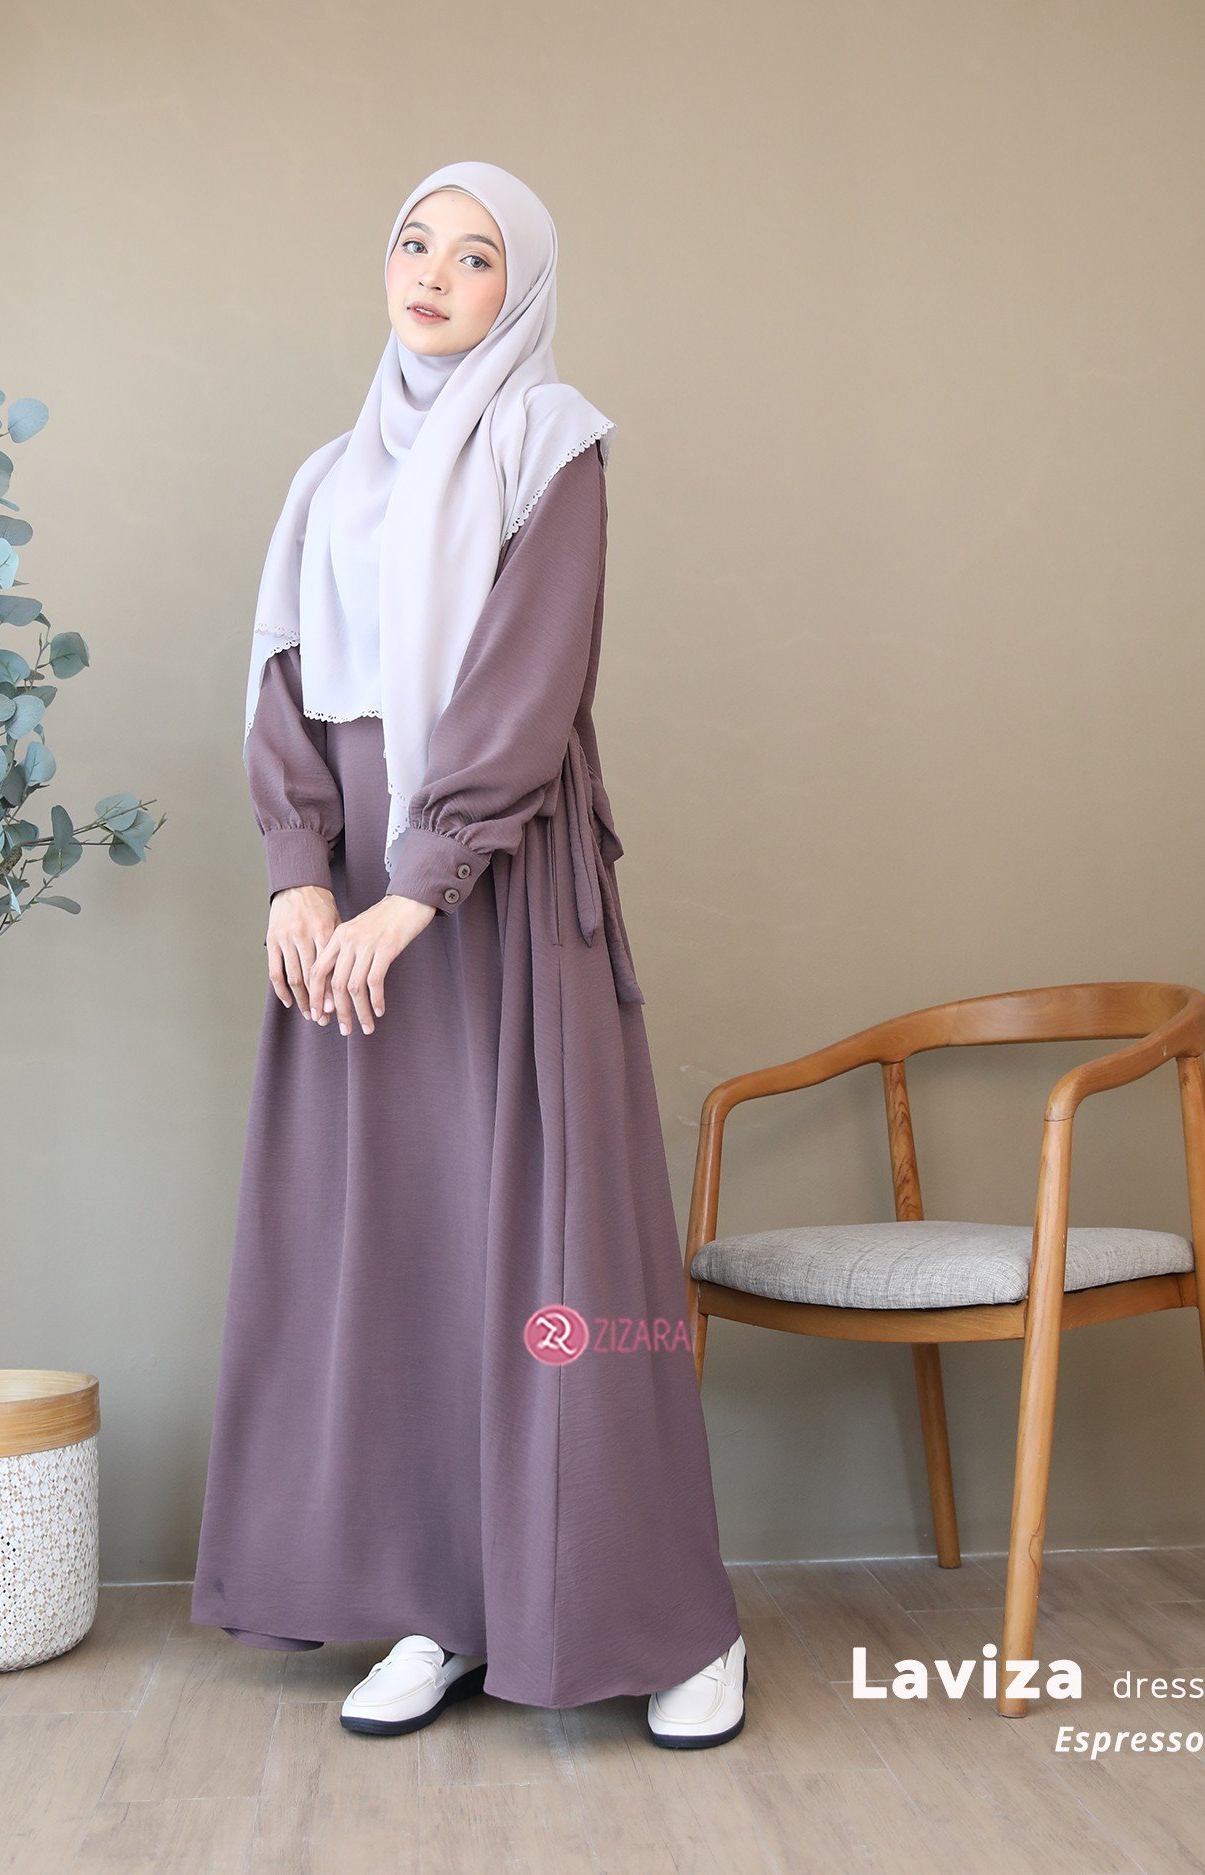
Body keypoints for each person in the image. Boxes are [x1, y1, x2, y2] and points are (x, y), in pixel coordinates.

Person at [190, 160, 747, 1749]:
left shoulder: (549, 441)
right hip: (352, 902)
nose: (433, 273)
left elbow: (526, 686)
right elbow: (283, 681)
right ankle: (442, 1603)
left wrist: (415, 888)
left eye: (478, 255)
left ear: (525, 287)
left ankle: (672, 1622)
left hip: (490, 886)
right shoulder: (328, 480)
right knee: (397, 1248)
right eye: (415, 243)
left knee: (562, 1261)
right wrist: (299, 879)